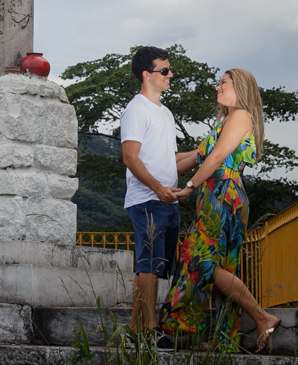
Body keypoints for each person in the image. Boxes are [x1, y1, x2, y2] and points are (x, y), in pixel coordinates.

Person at [160, 69, 282, 353]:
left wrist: (189, 187)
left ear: (238, 86)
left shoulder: (241, 116)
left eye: (222, 82)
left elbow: (216, 158)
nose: (217, 87)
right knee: (217, 266)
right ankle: (221, 336)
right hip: (213, 193)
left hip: (224, 193)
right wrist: (142, 157)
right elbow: (192, 158)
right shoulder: (225, 122)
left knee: (200, 260)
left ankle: (263, 318)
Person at [119, 46, 181, 334]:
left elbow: (172, 161)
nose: (170, 75)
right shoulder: (136, 109)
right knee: (150, 265)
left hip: (168, 200)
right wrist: (157, 188)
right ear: (147, 74)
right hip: (147, 199)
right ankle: (150, 329)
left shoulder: (165, 113)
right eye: (164, 71)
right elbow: (130, 157)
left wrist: (208, 152)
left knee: (150, 267)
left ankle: (135, 327)